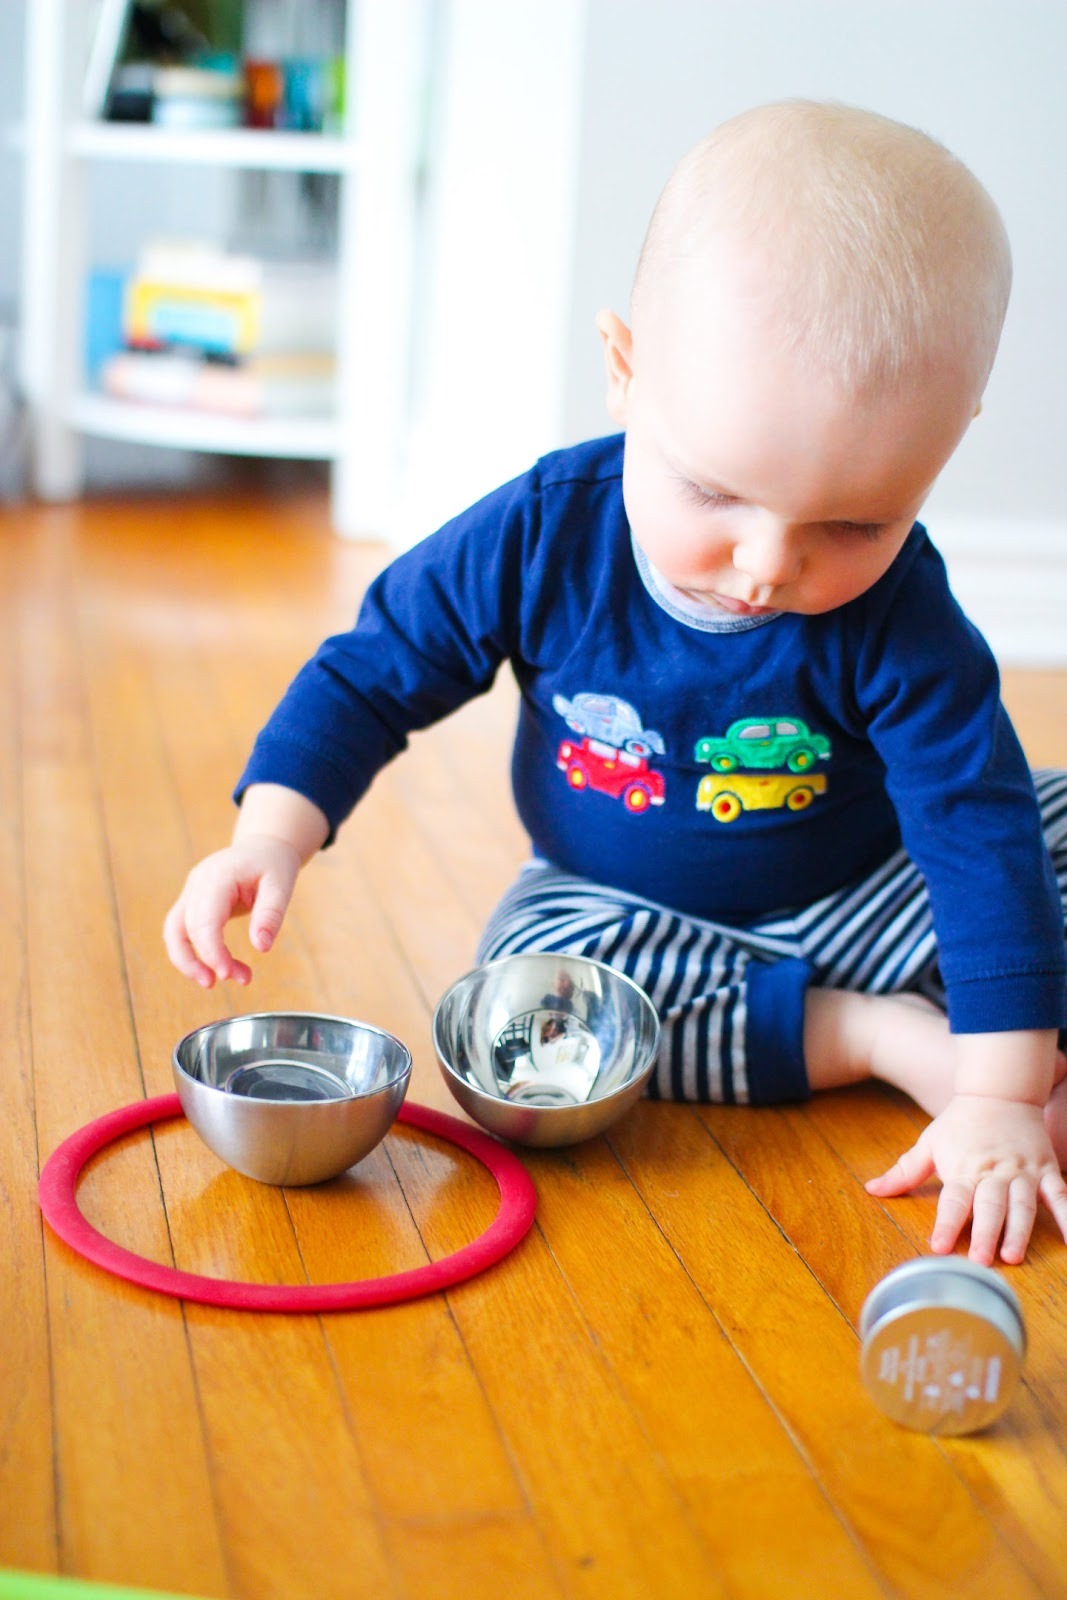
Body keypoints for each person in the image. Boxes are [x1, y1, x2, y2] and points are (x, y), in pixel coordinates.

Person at [164, 101, 1067, 1267]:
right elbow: (375, 670)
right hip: (621, 916)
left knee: (1033, 825)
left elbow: (971, 826)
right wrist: (271, 833)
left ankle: (991, 1049)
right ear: (625, 371)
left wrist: (994, 1101)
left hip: (869, 891)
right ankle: (871, 1039)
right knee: (520, 997)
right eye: (714, 494)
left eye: (854, 523)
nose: (767, 565)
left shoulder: (901, 615)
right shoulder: (543, 534)